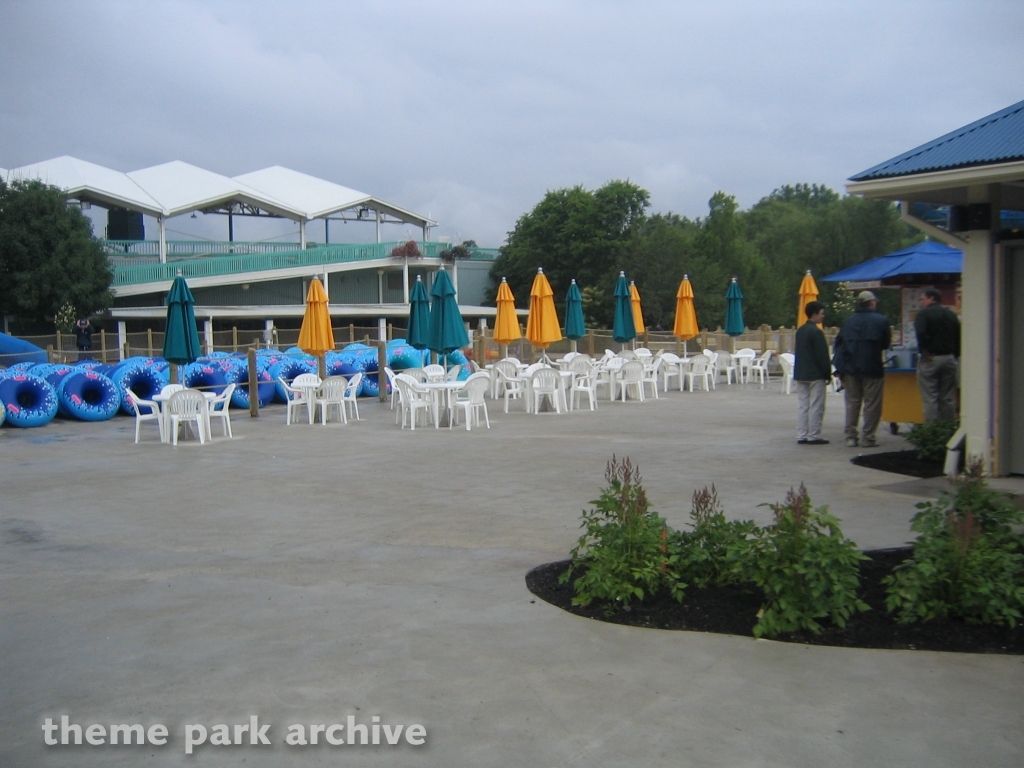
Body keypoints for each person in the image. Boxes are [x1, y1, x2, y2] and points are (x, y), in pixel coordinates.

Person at [832, 291, 892, 448]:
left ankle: (851, 436)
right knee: (872, 404)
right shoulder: (882, 321)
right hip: (873, 367)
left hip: (851, 369)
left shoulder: (849, 321)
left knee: (852, 402)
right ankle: (868, 437)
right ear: (871, 303)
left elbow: (838, 344)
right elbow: (886, 344)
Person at [914, 288, 960, 422]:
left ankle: (932, 432)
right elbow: (958, 336)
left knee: (930, 397)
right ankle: (948, 429)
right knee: (948, 396)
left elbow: (921, 334)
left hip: (931, 358)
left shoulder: (923, 314)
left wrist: (925, 351)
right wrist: (955, 354)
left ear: (931, 298)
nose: (922, 302)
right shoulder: (951, 315)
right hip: (950, 358)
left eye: (923, 299)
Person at [794, 301, 831, 445]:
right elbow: (822, 356)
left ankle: (802, 434)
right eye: (821, 313)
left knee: (803, 405)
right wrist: (827, 374)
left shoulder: (800, 331)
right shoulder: (816, 332)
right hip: (815, 374)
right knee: (816, 405)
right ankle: (814, 434)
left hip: (801, 372)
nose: (823, 316)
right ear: (815, 314)